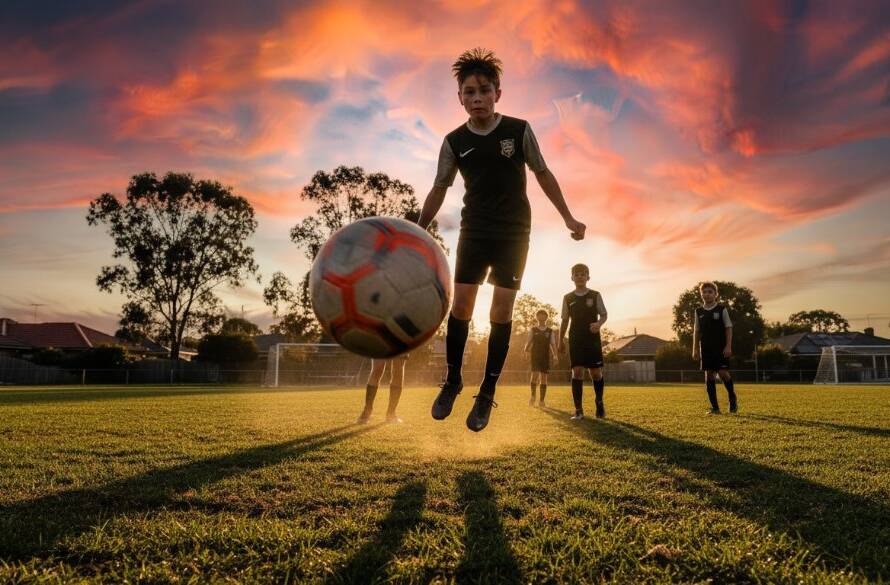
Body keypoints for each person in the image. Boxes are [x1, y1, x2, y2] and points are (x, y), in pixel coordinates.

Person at [417, 47, 585, 432]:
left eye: (484, 90)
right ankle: (454, 379)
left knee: (500, 313)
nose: (477, 98)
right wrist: (418, 227)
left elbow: (543, 174)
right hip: (474, 229)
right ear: (459, 97)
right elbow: (440, 187)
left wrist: (568, 217)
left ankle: (487, 389)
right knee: (461, 306)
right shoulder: (454, 141)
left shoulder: (518, 130)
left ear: (498, 93)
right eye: (469, 92)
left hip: (513, 234)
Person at [557, 264, 608, 420]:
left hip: (592, 340)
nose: (580, 277)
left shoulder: (595, 295)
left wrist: (598, 324)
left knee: (595, 373)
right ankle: (578, 410)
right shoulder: (568, 298)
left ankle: (599, 402)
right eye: (576, 274)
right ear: (572, 278)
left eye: (583, 274)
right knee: (577, 372)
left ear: (588, 277)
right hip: (575, 339)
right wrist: (560, 340)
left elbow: (604, 315)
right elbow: (564, 321)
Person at [691, 282, 737, 414]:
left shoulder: (721, 309)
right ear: (701, 295)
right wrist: (694, 349)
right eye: (704, 292)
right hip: (705, 348)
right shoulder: (698, 312)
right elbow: (696, 331)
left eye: (710, 292)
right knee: (709, 375)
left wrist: (728, 346)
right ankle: (715, 408)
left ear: (715, 294)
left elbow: (728, 328)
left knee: (723, 373)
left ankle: (732, 399)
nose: (707, 294)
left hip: (721, 348)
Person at [356, 354, 409, 424]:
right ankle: (367, 410)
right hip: (381, 343)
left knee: (398, 371)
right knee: (377, 369)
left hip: (401, 343)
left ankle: (391, 413)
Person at [523, 309, 556, 406]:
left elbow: (553, 344)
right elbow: (528, 342)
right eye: (539, 315)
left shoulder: (550, 331)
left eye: (543, 315)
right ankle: (533, 397)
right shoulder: (533, 330)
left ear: (546, 317)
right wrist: (525, 351)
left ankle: (542, 400)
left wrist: (555, 355)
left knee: (544, 378)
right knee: (534, 376)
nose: (541, 317)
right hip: (535, 357)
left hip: (545, 357)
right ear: (537, 317)